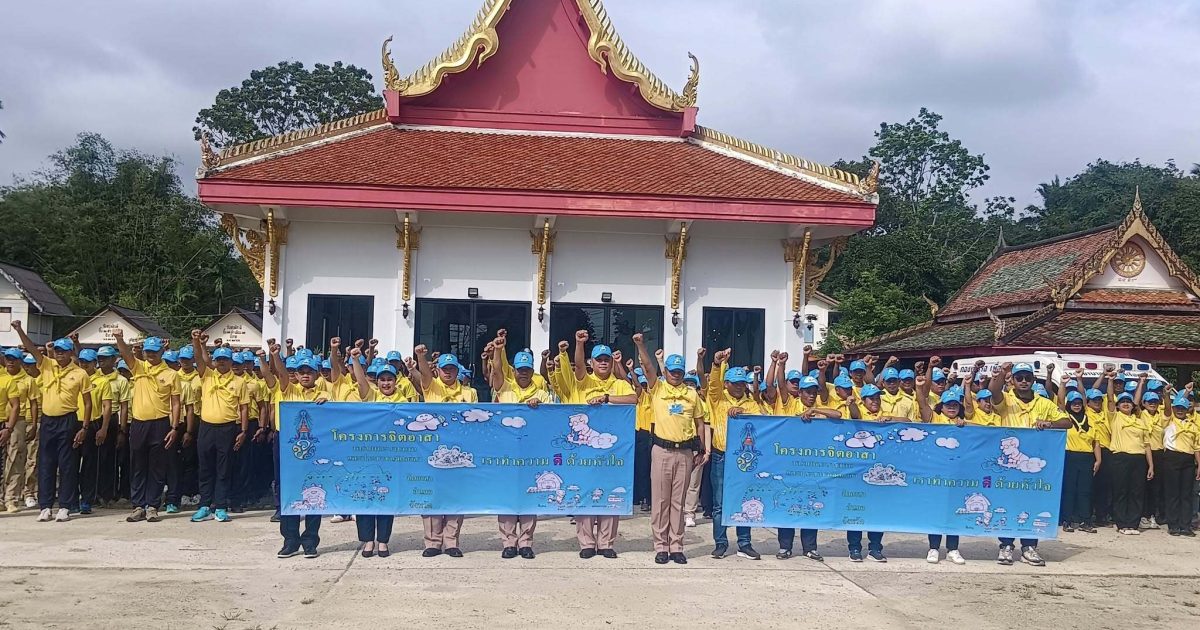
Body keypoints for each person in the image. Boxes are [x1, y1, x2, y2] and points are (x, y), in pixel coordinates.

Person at [987, 361, 1071, 565]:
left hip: (1032, 466)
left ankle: (1029, 546)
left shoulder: (1044, 403)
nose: (1023, 381)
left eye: (1027, 377)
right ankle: (1006, 545)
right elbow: (993, 391)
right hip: (1010, 466)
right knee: (1006, 503)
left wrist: (1049, 423)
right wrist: (1003, 373)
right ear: (1013, 380)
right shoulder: (1006, 399)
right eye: (1019, 377)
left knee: (1032, 504)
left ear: (1033, 380)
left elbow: (1067, 422)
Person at [11, 321, 92, 522]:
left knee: (67, 464)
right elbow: (31, 348)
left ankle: (65, 506)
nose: (59, 354)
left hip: (68, 420)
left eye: (63, 351)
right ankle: (45, 506)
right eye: (56, 351)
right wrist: (19, 330)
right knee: (46, 464)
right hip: (48, 421)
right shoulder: (47, 365)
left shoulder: (80, 373)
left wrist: (84, 427)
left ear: (70, 352)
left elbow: (87, 403)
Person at [635, 333, 705, 565]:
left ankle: (676, 546)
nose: (675, 374)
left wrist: (701, 449)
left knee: (678, 501)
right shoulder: (657, 388)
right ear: (665, 372)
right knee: (660, 501)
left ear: (683, 373)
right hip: (662, 450)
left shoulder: (691, 394)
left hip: (685, 452)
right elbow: (647, 368)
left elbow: (699, 422)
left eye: (679, 371)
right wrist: (641, 345)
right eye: (672, 371)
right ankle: (661, 546)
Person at [570, 331, 637, 558]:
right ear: (592, 362)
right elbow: (579, 366)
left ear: (611, 362)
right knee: (585, 493)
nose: (603, 363)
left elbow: (634, 399)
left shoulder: (619, 384)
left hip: (612, 451)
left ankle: (606, 543)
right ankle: (587, 543)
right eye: (598, 359)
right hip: (585, 451)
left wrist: (607, 398)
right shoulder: (585, 380)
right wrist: (579, 343)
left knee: (610, 493)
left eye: (606, 359)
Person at [261, 340, 329, 558]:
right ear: (296, 375)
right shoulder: (288, 390)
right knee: (288, 490)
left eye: (310, 372)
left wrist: (327, 403)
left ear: (317, 374)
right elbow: (281, 375)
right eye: (301, 372)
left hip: (314, 446)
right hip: (286, 444)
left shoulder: (324, 394)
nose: (305, 375)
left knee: (314, 489)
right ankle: (290, 540)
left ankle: (310, 541)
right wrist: (275, 356)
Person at [344, 344, 413, 558]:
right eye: (382, 379)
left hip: (390, 458)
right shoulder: (372, 396)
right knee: (365, 498)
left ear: (396, 381)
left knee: (385, 499)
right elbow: (361, 382)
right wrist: (356, 360)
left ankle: (383, 541)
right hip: (367, 456)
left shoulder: (403, 401)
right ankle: (367, 541)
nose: (385, 383)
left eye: (389, 379)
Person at [489, 338, 552, 559]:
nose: (523, 373)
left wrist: (540, 408)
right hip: (506, 452)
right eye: (519, 369)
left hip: (531, 453)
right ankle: (508, 542)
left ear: (532, 371)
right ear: (513, 370)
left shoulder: (542, 393)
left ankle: (525, 542)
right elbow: (497, 371)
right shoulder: (504, 387)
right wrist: (498, 350)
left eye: (527, 369)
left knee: (529, 496)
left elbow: (551, 419)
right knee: (506, 496)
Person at [113, 332, 181, 523]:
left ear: (161, 352)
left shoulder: (171, 374)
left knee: (157, 467)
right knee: (137, 465)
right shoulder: (139, 368)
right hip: (139, 424)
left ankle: (152, 506)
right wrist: (119, 339)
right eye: (148, 351)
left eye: (154, 352)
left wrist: (174, 427)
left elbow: (176, 403)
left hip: (160, 424)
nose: (150, 355)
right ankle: (138, 506)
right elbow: (126, 354)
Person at [703, 349, 764, 560]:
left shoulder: (751, 403)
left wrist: (742, 411)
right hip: (721, 456)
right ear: (726, 383)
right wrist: (716, 364)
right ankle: (720, 543)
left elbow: (761, 421)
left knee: (745, 500)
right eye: (735, 383)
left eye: (742, 383)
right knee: (719, 503)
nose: (739, 386)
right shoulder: (717, 399)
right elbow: (713, 385)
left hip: (745, 459)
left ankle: (744, 543)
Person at [414, 345, 473, 557]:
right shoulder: (431, 387)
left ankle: (451, 542)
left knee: (456, 496)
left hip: (459, 451)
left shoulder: (470, 392)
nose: (448, 372)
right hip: (433, 452)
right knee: (432, 495)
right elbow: (424, 374)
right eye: (444, 368)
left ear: (457, 370)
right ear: (437, 370)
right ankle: (432, 542)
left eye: (452, 368)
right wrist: (421, 357)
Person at [187, 331, 250, 523]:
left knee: (224, 469)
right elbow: (199, 358)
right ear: (214, 361)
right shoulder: (207, 375)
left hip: (228, 428)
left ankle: (221, 506)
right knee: (205, 467)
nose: (221, 362)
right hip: (206, 427)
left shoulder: (239, 382)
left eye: (225, 360)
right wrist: (196, 341)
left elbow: (244, 408)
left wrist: (243, 431)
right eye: (218, 359)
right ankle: (205, 505)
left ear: (231, 362)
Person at [915, 373, 968, 565]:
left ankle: (953, 549)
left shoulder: (964, 424)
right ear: (941, 407)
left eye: (955, 405)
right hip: (936, 474)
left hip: (957, 475)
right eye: (948, 405)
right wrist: (919, 387)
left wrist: (966, 424)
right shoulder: (935, 419)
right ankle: (934, 548)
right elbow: (922, 405)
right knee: (936, 511)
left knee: (955, 511)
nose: (952, 407)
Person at [1107, 382, 1154, 536]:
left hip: (1139, 458)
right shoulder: (1115, 417)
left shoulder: (1140, 421)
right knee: (1121, 491)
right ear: (1118, 405)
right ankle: (1122, 524)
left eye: (1128, 401)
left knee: (1137, 492)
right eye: (1122, 402)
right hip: (1121, 457)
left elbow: (1147, 445)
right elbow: (1110, 399)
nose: (1126, 404)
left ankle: (1133, 524)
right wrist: (1110, 380)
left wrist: (1151, 465)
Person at [1056, 375, 1101, 534]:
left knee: (1085, 491)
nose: (1076, 405)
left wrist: (1098, 460)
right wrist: (1063, 384)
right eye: (1073, 403)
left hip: (1087, 457)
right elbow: (1059, 402)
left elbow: (1096, 442)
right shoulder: (1065, 418)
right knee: (1069, 490)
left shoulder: (1089, 419)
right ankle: (1067, 520)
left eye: (1079, 403)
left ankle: (1085, 520)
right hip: (1070, 456)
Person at [75, 348, 114, 515]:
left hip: (92, 423)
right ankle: (71, 499)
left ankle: (86, 499)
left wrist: (104, 428)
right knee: (71, 464)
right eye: (82, 361)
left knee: (90, 465)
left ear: (94, 363)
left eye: (87, 362)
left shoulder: (102, 381)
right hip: (73, 422)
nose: (84, 364)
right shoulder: (75, 377)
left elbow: (107, 406)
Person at [1, 347, 36, 512]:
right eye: (8, 358)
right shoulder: (2, 376)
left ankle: (11, 498)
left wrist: (33, 424)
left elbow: (33, 403)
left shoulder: (27, 380)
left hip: (18, 421)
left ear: (20, 361)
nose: (10, 362)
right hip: (2, 419)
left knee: (15, 459)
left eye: (14, 359)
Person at [1162, 391, 1199, 536]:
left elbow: (1196, 447)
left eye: (1182, 408)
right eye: (1177, 408)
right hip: (1172, 457)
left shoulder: (1192, 426)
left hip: (1188, 459)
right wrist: (1166, 395)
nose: (1179, 410)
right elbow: (1166, 409)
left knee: (1186, 493)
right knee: (1173, 493)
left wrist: (1199, 465)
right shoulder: (1169, 420)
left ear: (1187, 410)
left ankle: (1185, 525)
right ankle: (1173, 525)